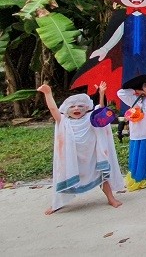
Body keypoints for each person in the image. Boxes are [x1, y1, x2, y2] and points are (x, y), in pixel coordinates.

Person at [39, 82, 124, 215]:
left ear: (86, 108)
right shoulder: (63, 121)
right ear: (67, 110)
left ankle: (111, 198)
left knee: (102, 176)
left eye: (80, 106)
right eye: (72, 106)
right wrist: (48, 93)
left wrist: (101, 94)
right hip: (72, 157)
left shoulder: (90, 118)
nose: (76, 108)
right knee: (63, 177)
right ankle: (56, 204)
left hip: (92, 155)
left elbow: (101, 111)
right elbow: (53, 109)